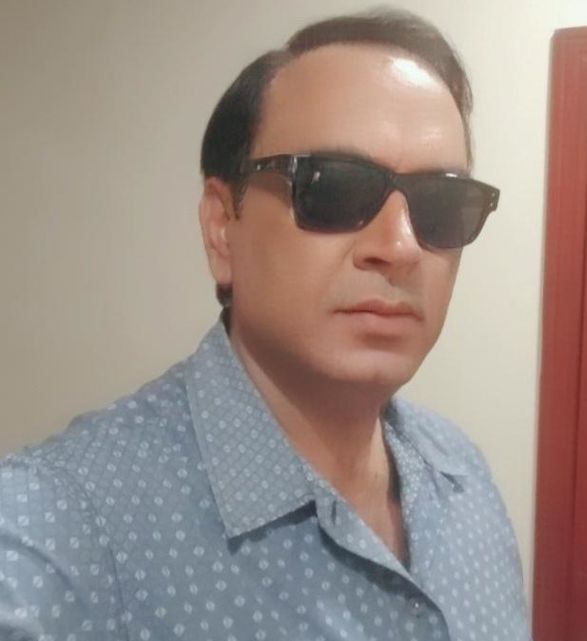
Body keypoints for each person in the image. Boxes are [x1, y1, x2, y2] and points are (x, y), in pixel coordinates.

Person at [0, 8, 530, 641]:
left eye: (442, 203)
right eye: (333, 188)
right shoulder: (55, 533)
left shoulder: (462, 476)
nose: (400, 246)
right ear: (222, 228)